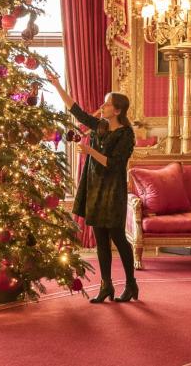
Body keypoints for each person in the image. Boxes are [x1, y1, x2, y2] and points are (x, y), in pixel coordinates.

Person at [44, 71, 138, 303]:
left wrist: (89, 151)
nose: (102, 106)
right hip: (95, 189)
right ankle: (106, 286)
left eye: (107, 104)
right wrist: (56, 84)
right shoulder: (100, 126)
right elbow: (76, 110)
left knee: (118, 239)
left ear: (117, 111)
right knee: (101, 241)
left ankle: (131, 283)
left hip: (112, 191)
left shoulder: (126, 134)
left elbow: (114, 164)